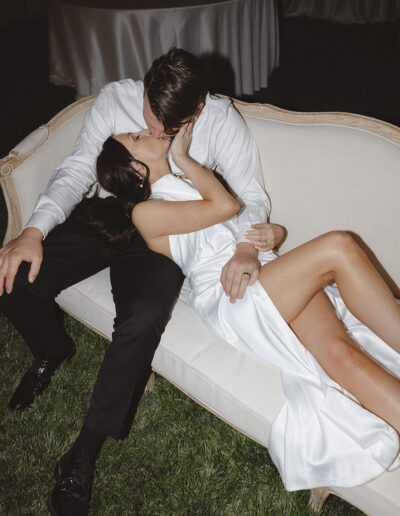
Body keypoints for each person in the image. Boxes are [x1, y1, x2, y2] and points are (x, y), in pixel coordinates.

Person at [0, 48, 283, 515]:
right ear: (147, 90)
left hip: (167, 233)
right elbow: (75, 169)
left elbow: (251, 195)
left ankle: (82, 454)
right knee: (15, 279)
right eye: (148, 121)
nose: (153, 134)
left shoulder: (221, 121)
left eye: (167, 132)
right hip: (108, 214)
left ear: (197, 109)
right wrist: (33, 231)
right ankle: (53, 349)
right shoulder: (116, 100)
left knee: (144, 316)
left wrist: (247, 245)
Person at [85, 124, 400, 492]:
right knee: (339, 246)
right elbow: (225, 208)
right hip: (234, 294)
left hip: (270, 273)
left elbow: (242, 226)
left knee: (341, 354)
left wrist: (274, 234)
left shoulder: (193, 183)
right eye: (135, 139)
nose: (143, 131)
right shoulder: (146, 212)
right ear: (137, 169)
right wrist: (184, 158)